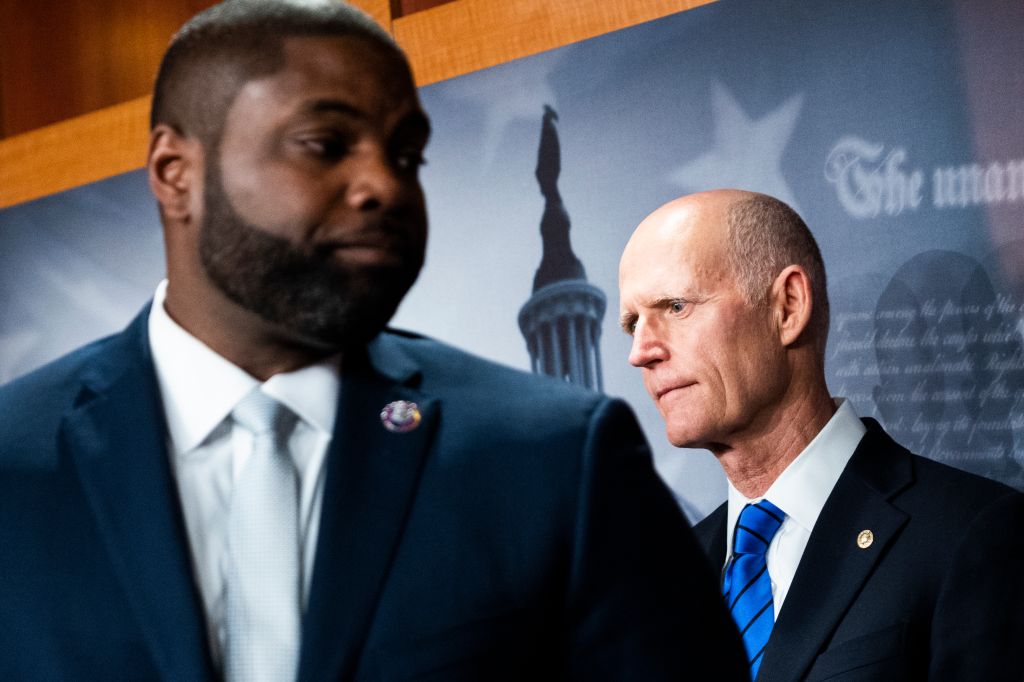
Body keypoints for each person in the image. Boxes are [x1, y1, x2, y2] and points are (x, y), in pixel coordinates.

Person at [0, 2, 748, 680]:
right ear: (175, 173)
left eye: (405, 156)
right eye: (324, 144)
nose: (384, 186)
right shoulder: (12, 462)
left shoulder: (556, 459)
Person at [618, 188, 1024, 681]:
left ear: (788, 306)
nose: (641, 352)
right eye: (632, 323)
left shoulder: (975, 533)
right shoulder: (663, 580)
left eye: (676, 307)